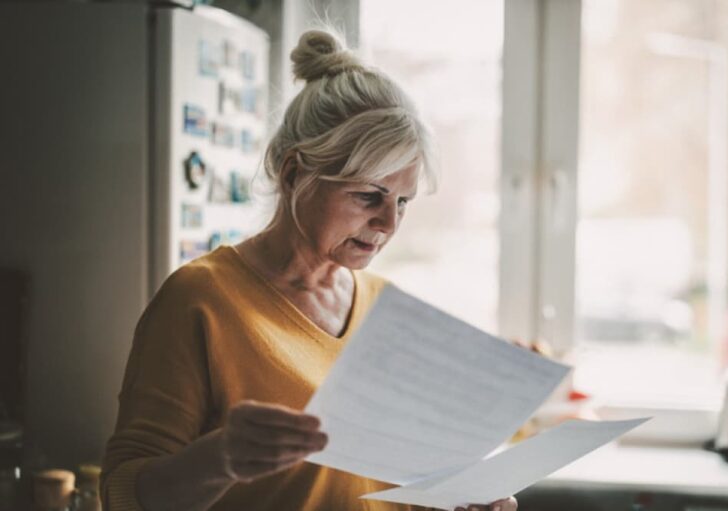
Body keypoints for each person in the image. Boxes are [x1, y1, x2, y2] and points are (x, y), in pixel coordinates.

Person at [101, 29, 517, 511]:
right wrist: (220, 459)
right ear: (296, 173)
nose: (388, 223)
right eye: (368, 196)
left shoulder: (386, 308)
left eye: (403, 202)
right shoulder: (201, 300)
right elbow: (123, 493)